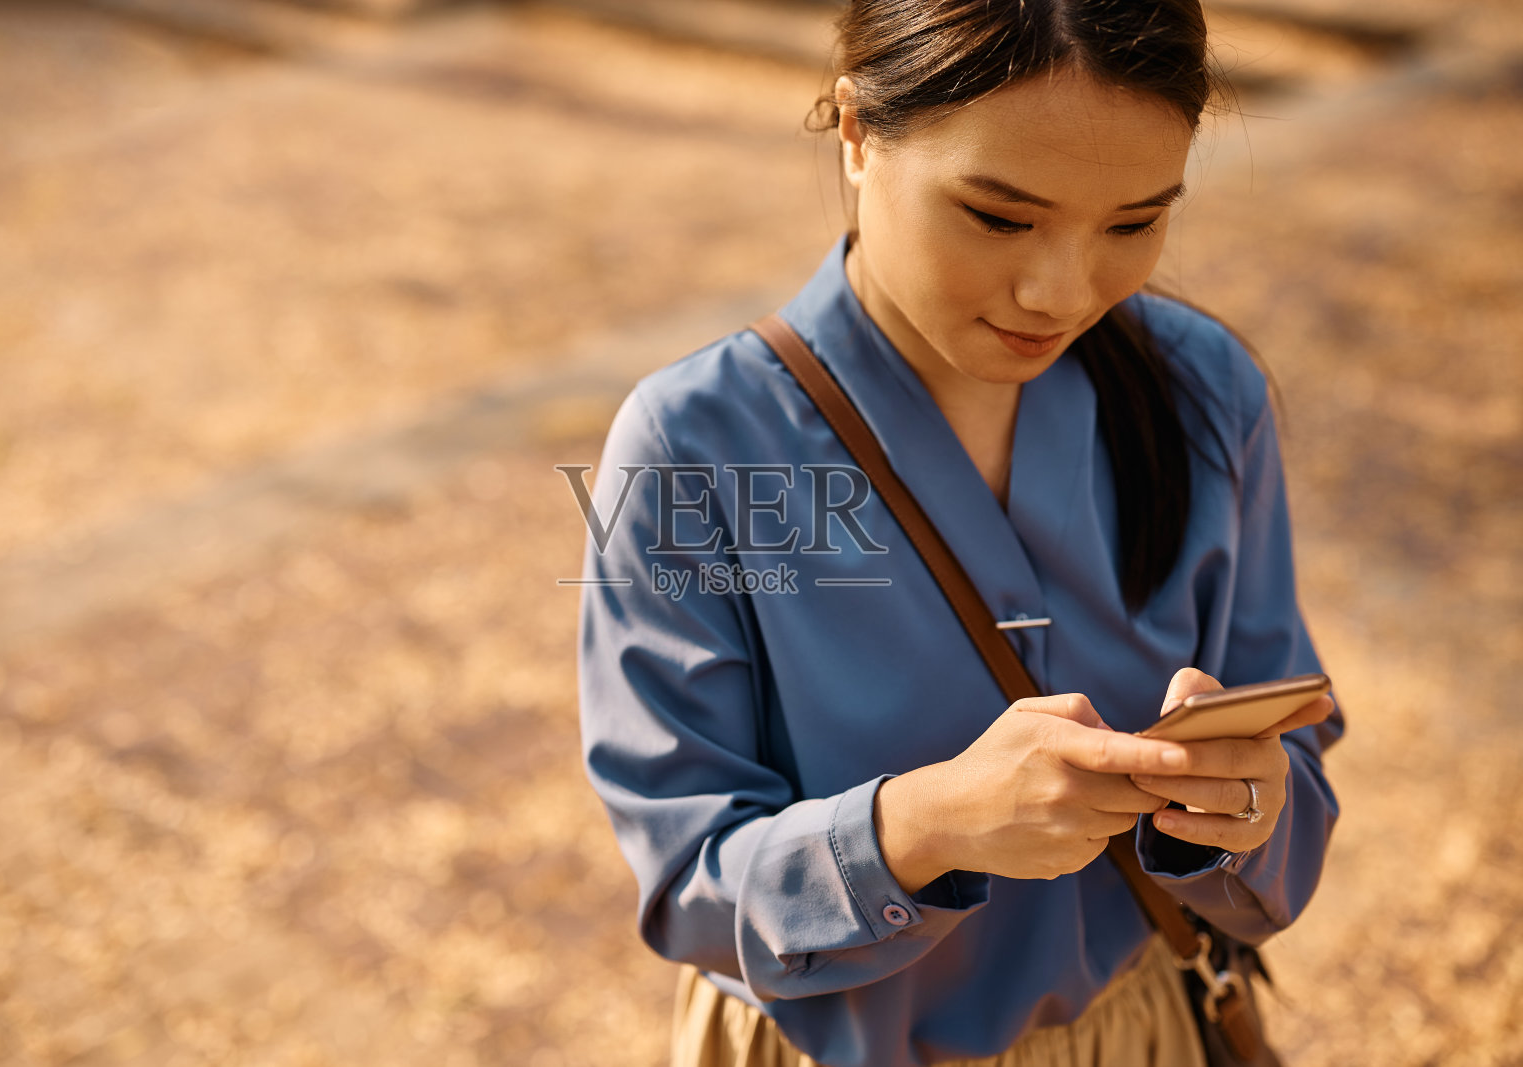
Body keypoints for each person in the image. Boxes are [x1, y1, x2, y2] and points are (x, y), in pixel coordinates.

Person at [572, 1, 1345, 1064]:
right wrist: (922, 827)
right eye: (997, 215)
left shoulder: (1206, 392)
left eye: (1132, 223)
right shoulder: (690, 445)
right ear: (855, 131)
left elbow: (1294, 771)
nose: (1061, 292)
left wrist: (1243, 807)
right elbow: (686, 886)